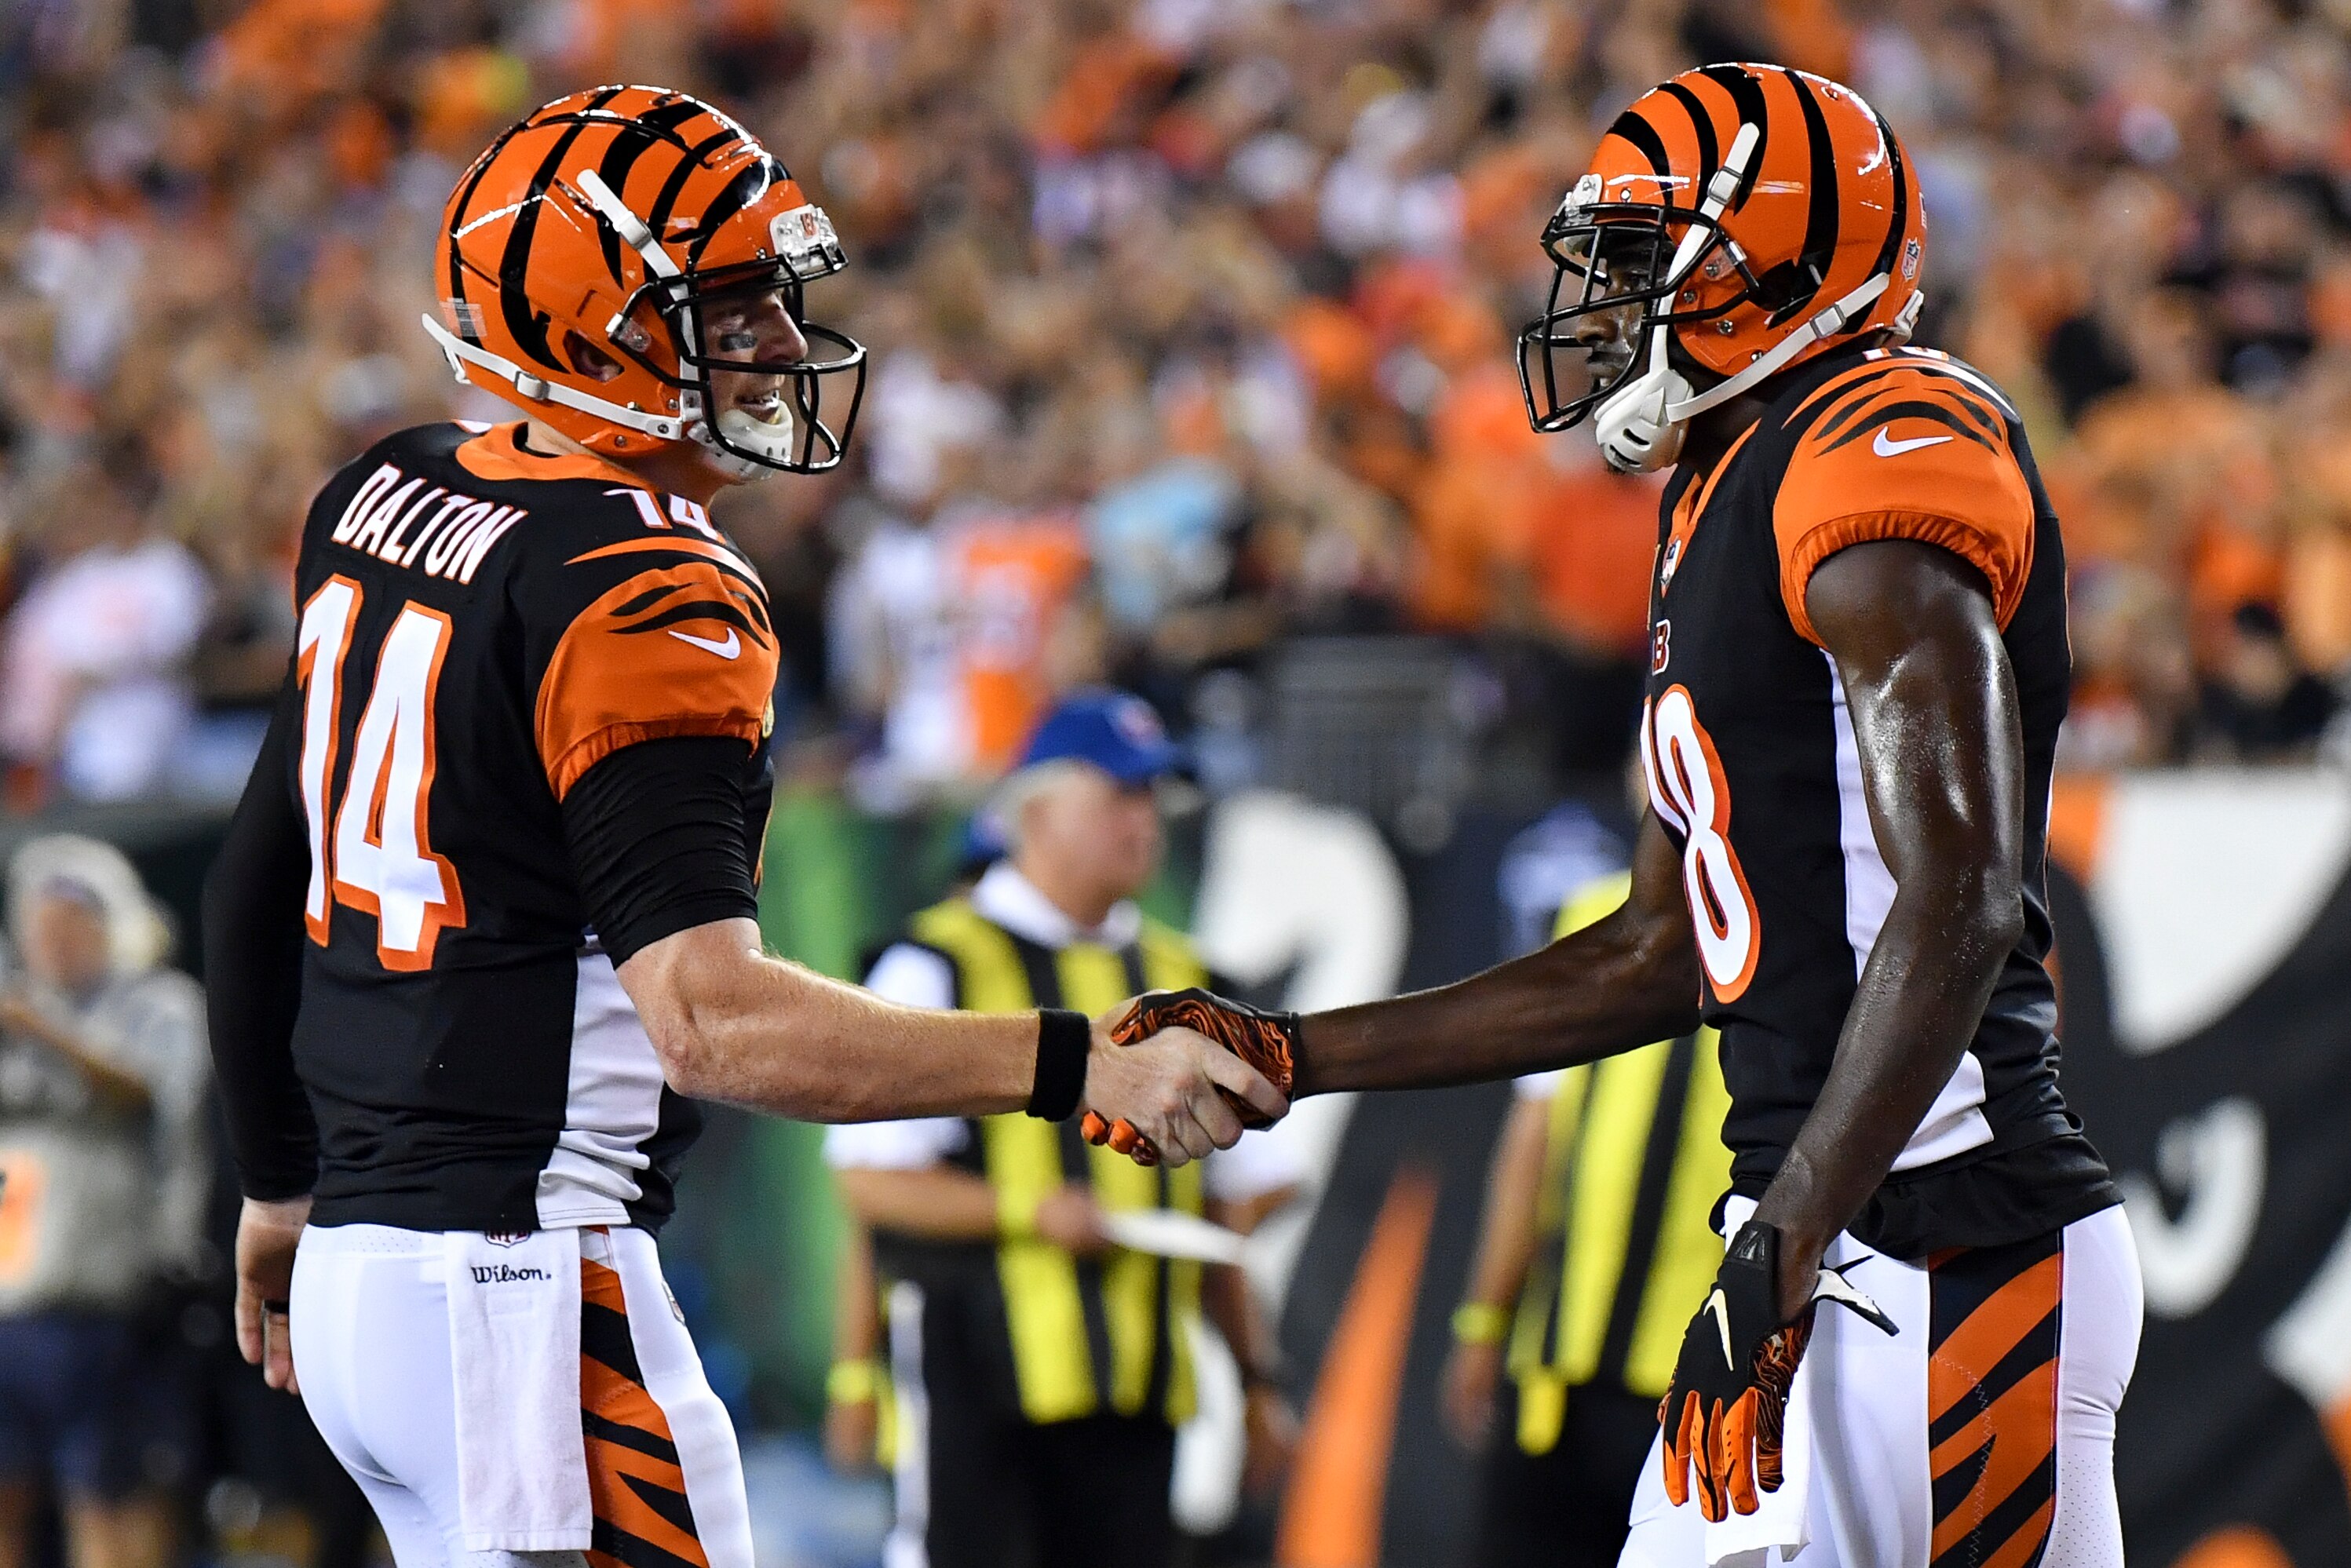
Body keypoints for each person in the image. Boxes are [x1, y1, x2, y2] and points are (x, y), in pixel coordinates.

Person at [198, 87, 1285, 1568]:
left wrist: (279, 1180)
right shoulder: (647, 587)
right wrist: (1077, 1060)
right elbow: (712, 1022)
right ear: (583, 331)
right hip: (524, 1292)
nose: (774, 338)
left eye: (771, 293)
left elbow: (255, 883)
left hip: (367, 1284)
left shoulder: (386, 490)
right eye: (720, 303)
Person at [1110, 64, 2140, 1568]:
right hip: (1828, 1239)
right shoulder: (1727, 480)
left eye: (1653, 258)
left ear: (1776, 259)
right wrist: (1293, 1050)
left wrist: (1781, 1248)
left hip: (1947, 1242)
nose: (1613, 298)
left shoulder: (1884, 433)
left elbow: (1963, 892)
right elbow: (1648, 952)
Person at [824, 691, 1298, 1568]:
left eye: (1154, 796)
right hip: (975, 1378)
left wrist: (1256, 1378)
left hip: (1137, 1387)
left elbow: (1220, 1216)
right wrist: (1034, 1213)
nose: (1144, 820)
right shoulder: (936, 961)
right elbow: (870, 1182)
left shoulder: (1190, 982)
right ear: (1034, 810)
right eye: (1120, 793)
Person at [1441, 870, 1727, 1568]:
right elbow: (1531, 1148)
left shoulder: (1823, 920)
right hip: (1562, 1374)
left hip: (1708, 1396)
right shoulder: (1586, 914)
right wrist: (1485, 1320)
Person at [0, 835, 210, 1568]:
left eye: (72, 924)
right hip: (16, 1293)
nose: (53, 943)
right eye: (41, 926)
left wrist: (41, 1031)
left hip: (116, 1291)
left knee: (114, 1495)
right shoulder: (20, 1011)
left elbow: (149, 1094)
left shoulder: (160, 1003)